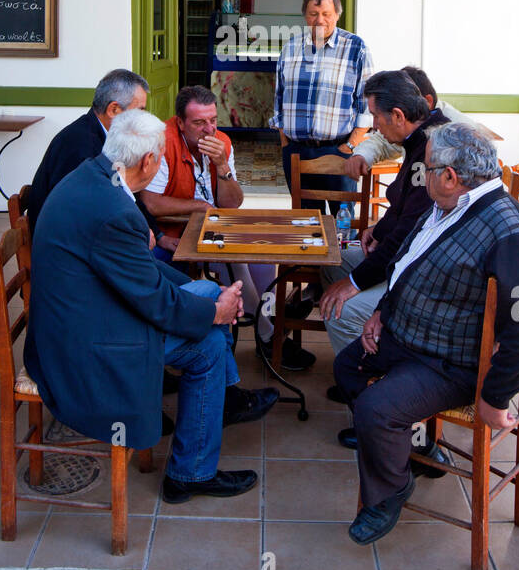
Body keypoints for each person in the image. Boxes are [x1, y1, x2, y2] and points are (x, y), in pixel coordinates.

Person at [25, 110, 277, 504]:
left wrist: (203, 295)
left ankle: (218, 408)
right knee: (208, 345)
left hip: (82, 316)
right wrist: (213, 313)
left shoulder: (95, 177)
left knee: (207, 299)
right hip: (83, 346)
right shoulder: (114, 212)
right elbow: (152, 300)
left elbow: (142, 281)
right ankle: (190, 473)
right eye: (159, 155)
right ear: (147, 161)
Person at [334, 123, 519, 545]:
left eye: (426, 169)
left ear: (450, 176)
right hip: (409, 338)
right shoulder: (444, 207)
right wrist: (381, 311)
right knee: (346, 368)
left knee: (377, 408)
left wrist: (493, 397)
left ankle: (390, 491)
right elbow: (406, 269)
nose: (421, 175)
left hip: (452, 364)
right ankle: (414, 447)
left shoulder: (512, 232)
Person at [138, 84, 313, 373]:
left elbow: (232, 205)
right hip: (170, 234)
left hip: (211, 228)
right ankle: (267, 333)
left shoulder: (221, 143)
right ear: (180, 122)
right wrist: (199, 207)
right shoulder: (163, 142)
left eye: (213, 120)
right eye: (198, 123)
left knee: (261, 253)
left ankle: (264, 329)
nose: (208, 130)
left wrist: (222, 167)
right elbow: (151, 204)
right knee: (235, 256)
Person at [317, 69, 447, 372]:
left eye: (376, 116)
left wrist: (353, 284)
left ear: (399, 115)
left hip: (423, 275)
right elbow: (407, 209)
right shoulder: (419, 136)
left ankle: (369, 382)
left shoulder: (432, 149)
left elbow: (408, 236)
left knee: (341, 309)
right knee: (331, 259)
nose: (374, 125)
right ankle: (359, 359)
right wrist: (380, 228)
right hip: (408, 258)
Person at [270, 0, 374, 208]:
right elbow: (278, 96)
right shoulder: (291, 47)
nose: (320, 20)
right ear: (305, 16)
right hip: (296, 151)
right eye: (313, 14)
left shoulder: (356, 48)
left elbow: (367, 104)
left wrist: (351, 146)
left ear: (337, 14)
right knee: (305, 224)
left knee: (343, 225)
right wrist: (284, 142)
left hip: (338, 151)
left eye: (326, 14)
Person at [26, 68, 150, 234]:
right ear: (114, 110)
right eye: (140, 111)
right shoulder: (78, 145)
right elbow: (75, 214)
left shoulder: (108, 138)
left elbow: (125, 194)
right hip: (68, 249)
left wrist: (158, 233)